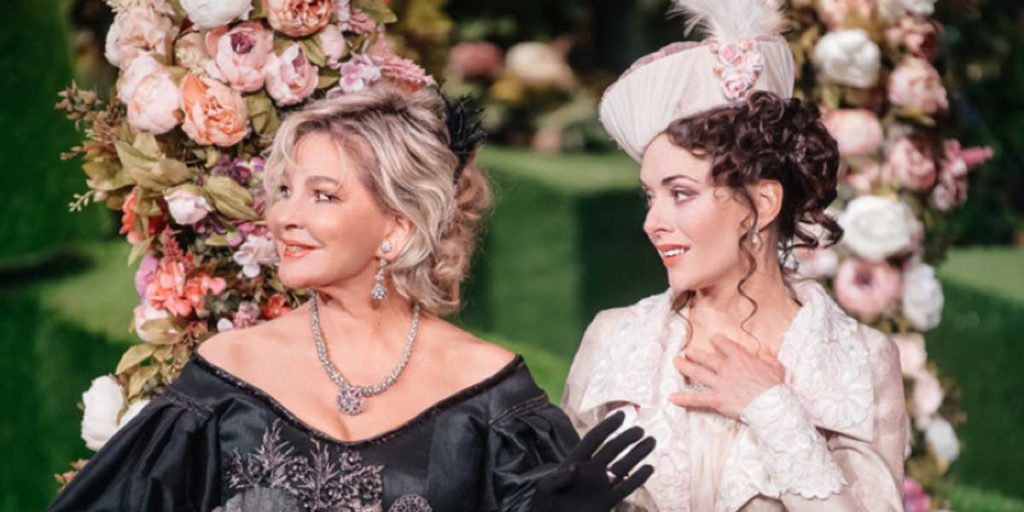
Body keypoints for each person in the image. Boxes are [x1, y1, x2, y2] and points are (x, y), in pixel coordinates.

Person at [49, 83, 655, 511]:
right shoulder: (223, 380)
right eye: (285, 190)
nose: (283, 216)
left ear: (396, 229)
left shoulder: (492, 400)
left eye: (323, 195)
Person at [561, 0, 908, 510]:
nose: (653, 222)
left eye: (681, 193)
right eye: (650, 196)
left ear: (762, 204)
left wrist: (773, 409)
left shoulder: (861, 360)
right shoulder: (617, 341)